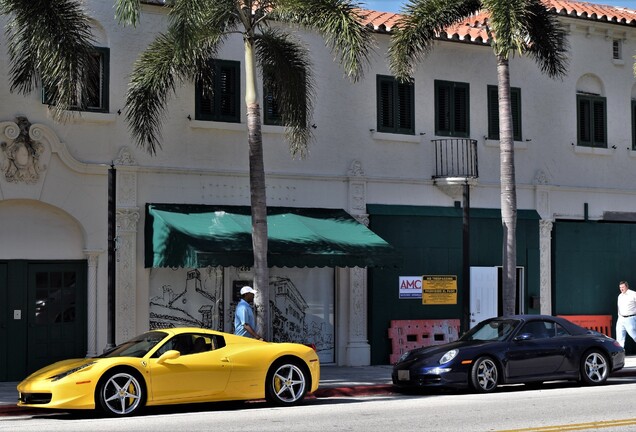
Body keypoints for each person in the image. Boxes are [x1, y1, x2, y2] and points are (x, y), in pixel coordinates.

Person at [616, 280, 636, 348]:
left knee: (634, 335)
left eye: (623, 287)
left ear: (627, 287)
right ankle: (620, 355)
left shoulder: (633, 294)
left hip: (630, 318)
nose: (621, 289)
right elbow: (619, 307)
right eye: (620, 287)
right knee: (620, 338)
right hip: (621, 319)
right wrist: (619, 317)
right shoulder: (620, 296)